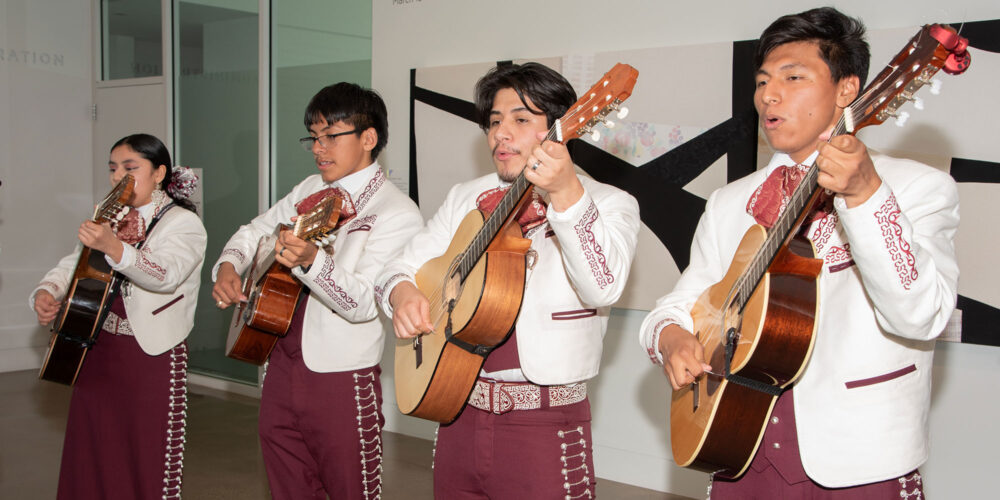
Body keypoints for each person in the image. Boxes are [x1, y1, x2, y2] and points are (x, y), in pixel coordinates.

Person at [639, 7, 960, 498]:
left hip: (859, 460)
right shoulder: (730, 202)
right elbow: (682, 301)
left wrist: (866, 195)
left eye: (793, 77)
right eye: (763, 79)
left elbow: (922, 316)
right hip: (737, 445)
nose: (769, 94)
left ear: (848, 90)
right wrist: (673, 337)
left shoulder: (918, 187)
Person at [376, 62, 641, 499]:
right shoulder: (467, 196)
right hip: (456, 406)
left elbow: (603, 286)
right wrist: (402, 293)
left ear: (560, 129)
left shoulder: (608, 203)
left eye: (521, 119)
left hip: (544, 423)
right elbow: (397, 268)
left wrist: (566, 195)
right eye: (494, 121)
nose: (501, 133)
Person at [211, 82, 422, 499]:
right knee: (287, 486)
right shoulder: (309, 189)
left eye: (330, 136)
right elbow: (254, 231)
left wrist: (311, 260)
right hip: (279, 363)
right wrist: (228, 266)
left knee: (350, 490)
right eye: (313, 136)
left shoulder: (396, 212)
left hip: (340, 377)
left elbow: (363, 303)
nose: (318, 148)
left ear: (368, 138)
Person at [31, 133, 206, 499]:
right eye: (113, 169)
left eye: (130, 168)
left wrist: (114, 247)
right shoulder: (108, 215)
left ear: (159, 173)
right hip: (96, 348)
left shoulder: (183, 223)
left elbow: (165, 275)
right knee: (93, 448)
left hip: (150, 354)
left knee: (144, 453)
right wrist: (48, 291)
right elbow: (74, 262)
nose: (118, 177)